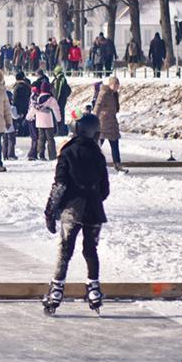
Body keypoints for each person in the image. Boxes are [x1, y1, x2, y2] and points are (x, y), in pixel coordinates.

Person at [42, 114, 110, 315]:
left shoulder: (68, 152)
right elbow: (105, 189)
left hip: (73, 209)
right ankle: (94, 290)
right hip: (94, 210)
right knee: (90, 250)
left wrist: (50, 210)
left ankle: (56, 291)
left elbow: (60, 184)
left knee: (65, 251)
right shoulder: (98, 155)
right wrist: (93, 197)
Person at [27, 81, 62, 160]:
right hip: (48, 122)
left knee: (41, 138)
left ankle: (41, 154)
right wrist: (59, 119)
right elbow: (56, 110)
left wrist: (29, 117)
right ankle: (52, 155)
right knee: (50, 139)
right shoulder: (51, 99)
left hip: (39, 122)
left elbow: (33, 109)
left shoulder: (38, 98)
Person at [94, 76, 123, 170]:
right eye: (115, 85)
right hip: (103, 123)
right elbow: (98, 105)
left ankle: (117, 163)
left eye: (117, 85)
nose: (116, 87)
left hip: (112, 123)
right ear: (110, 84)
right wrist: (94, 118)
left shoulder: (115, 94)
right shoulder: (104, 93)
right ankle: (92, 161)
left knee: (115, 143)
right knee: (98, 144)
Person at [51, 66, 71, 135]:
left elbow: (57, 91)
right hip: (62, 101)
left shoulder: (59, 80)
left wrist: (56, 100)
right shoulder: (63, 79)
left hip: (58, 101)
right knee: (61, 115)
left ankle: (59, 131)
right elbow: (69, 90)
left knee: (58, 116)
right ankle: (60, 131)